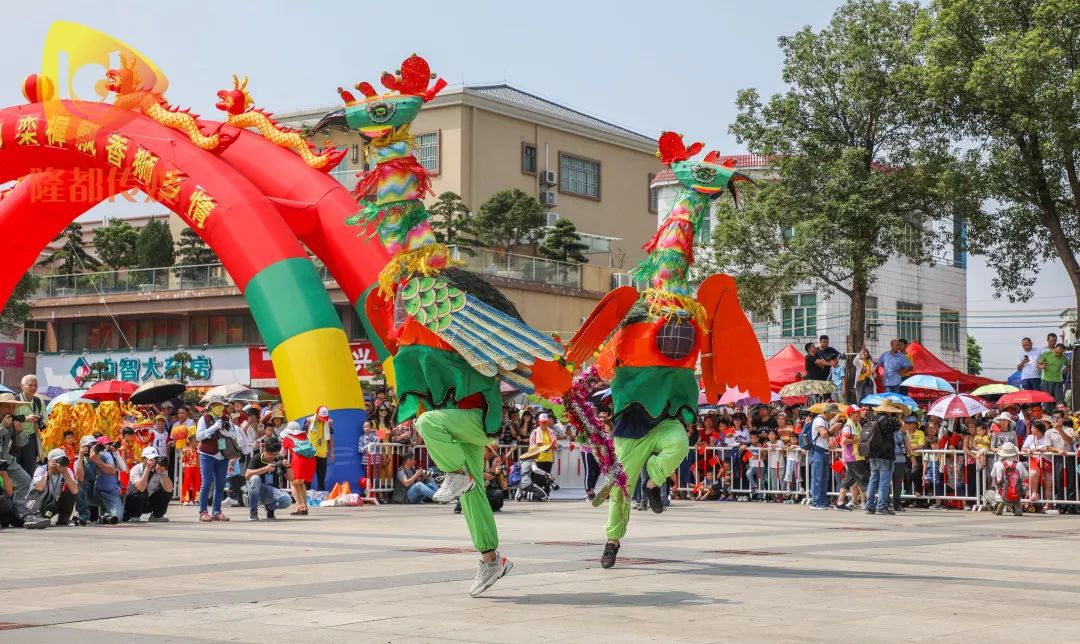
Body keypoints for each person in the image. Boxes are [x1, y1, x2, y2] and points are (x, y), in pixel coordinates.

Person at [195, 396, 238, 522]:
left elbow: (234, 434)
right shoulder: (204, 418)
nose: (219, 408)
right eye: (216, 405)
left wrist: (226, 433)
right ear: (211, 407)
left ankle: (216, 511)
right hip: (207, 455)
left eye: (221, 405)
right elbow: (198, 436)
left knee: (220, 484)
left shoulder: (226, 419)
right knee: (207, 483)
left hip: (222, 455)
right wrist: (213, 428)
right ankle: (203, 511)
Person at [862, 402, 904, 515]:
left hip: (872, 453)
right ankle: (881, 506)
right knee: (884, 482)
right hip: (886, 454)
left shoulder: (872, 418)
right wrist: (899, 417)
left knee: (873, 480)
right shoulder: (890, 420)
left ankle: (869, 505)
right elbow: (902, 427)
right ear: (889, 410)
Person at [75, 435, 124, 524]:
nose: (94, 448)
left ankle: (105, 515)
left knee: (118, 517)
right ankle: (83, 515)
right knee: (77, 484)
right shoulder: (79, 459)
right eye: (91, 446)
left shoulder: (105, 455)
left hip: (108, 493)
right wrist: (81, 457)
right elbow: (80, 479)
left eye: (95, 445)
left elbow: (112, 471)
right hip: (91, 495)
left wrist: (98, 461)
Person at [244, 436, 295, 520]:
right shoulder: (257, 458)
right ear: (265, 450)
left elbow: (291, 478)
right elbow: (247, 475)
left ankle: (270, 508)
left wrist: (288, 466)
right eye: (271, 454)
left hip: (271, 491)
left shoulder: (279, 459)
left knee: (287, 500)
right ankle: (253, 511)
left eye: (276, 454)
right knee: (255, 478)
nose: (273, 457)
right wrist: (265, 469)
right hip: (257, 490)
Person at [23, 448, 76, 528]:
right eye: (58, 460)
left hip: (51, 504)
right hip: (35, 504)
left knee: (70, 492)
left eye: (63, 459)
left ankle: (63, 519)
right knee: (42, 490)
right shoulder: (41, 469)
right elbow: (39, 488)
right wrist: (48, 472)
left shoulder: (66, 470)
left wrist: (65, 473)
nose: (61, 463)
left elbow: (75, 491)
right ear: (50, 461)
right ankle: (32, 517)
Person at [123, 447, 173, 522]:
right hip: (134, 503)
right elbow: (140, 488)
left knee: (167, 492)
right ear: (143, 459)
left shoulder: (159, 469)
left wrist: (163, 471)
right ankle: (134, 515)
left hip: (148, 502)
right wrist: (147, 469)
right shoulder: (136, 469)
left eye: (155, 458)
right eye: (150, 459)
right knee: (140, 491)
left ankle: (157, 516)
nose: (153, 461)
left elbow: (169, 489)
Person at [836, 406, 868, 511]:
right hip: (853, 457)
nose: (859, 415)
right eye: (856, 413)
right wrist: (858, 440)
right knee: (863, 479)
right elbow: (844, 441)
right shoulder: (848, 426)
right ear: (851, 414)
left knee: (848, 481)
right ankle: (867, 503)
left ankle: (840, 503)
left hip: (857, 457)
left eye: (859, 413)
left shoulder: (857, 424)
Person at [280, 421, 315, 516]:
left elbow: (281, 454)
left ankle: (299, 507)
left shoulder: (288, 438)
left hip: (298, 461)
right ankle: (305, 506)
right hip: (310, 460)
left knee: (293, 483)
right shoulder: (305, 436)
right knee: (300, 483)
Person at [14, 375, 46, 477]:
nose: (33, 388)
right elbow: (8, 419)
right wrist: (25, 419)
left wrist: (40, 421)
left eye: (35, 385)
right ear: (22, 386)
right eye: (30, 385)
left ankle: (27, 493)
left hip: (31, 441)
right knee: (14, 471)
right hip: (15, 440)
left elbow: (45, 420)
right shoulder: (15, 400)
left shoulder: (38, 401)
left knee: (29, 473)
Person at [808, 403, 839, 509]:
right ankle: (816, 501)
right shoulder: (819, 420)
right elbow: (824, 434)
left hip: (824, 451)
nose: (834, 416)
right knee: (817, 477)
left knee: (824, 478)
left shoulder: (825, 421)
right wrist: (834, 427)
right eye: (833, 414)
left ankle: (822, 500)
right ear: (828, 413)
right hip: (818, 451)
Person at [987, 442, 1027, 516]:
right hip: (1017, 493)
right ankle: (1017, 505)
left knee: (990, 493)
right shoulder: (1019, 464)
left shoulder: (997, 464)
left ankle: (1000, 504)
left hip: (1002, 493)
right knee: (1021, 488)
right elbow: (1025, 476)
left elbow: (992, 475)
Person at [306, 406, 335, 492]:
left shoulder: (329, 423)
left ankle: (321, 495)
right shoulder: (309, 421)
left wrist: (332, 452)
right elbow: (303, 436)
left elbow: (330, 438)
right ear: (317, 414)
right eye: (321, 417)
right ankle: (306, 494)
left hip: (322, 453)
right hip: (310, 453)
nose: (323, 419)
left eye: (324, 418)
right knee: (308, 476)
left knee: (321, 476)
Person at [891, 415, 916, 511]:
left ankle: (897, 503)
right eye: (904, 423)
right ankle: (884, 502)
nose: (906, 425)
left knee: (897, 483)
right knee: (885, 482)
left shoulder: (904, 434)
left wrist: (912, 455)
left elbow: (908, 444)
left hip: (900, 459)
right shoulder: (891, 431)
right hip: (890, 458)